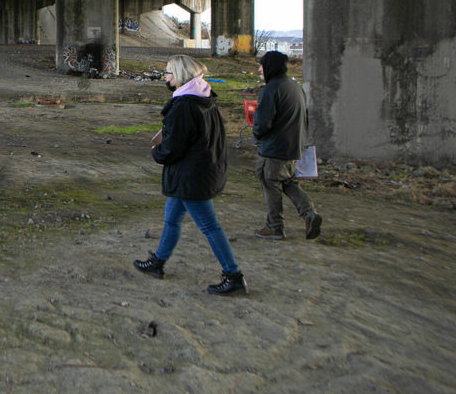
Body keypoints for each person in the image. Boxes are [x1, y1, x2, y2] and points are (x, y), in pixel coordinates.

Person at [133, 54, 247, 296]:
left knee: (210, 227)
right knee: (172, 219)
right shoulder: (204, 98)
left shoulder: (184, 105)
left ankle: (233, 275)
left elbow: (174, 146)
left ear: (180, 75)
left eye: (168, 73)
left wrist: (157, 152)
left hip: (192, 177)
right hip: (197, 173)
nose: (165, 77)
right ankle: (158, 262)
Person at [252, 50, 323, 240]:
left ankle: (274, 227)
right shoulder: (294, 87)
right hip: (294, 147)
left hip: (274, 149)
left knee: (271, 184)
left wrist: (257, 135)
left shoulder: (271, 89)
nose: (259, 70)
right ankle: (309, 214)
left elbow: (262, 123)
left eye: (261, 65)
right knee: (289, 182)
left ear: (269, 67)